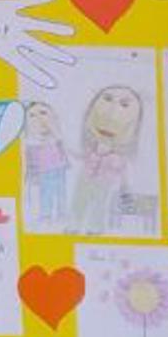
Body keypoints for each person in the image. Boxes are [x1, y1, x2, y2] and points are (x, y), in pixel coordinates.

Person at [69, 84, 144, 233]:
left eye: (124, 105)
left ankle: (95, 228)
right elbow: (80, 156)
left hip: (103, 185)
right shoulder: (92, 150)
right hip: (84, 180)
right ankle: (75, 226)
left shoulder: (119, 158)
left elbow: (124, 175)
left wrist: (125, 188)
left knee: (99, 206)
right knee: (79, 203)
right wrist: (66, 149)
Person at [21, 101, 69, 224]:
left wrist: (65, 162)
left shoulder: (57, 138)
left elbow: (63, 150)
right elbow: (30, 162)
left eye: (43, 113)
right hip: (44, 172)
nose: (39, 118)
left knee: (61, 192)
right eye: (32, 115)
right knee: (46, 194)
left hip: (59, 169)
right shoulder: (31, 143)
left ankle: (62, 213)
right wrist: (33, 176)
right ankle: (46, 215)